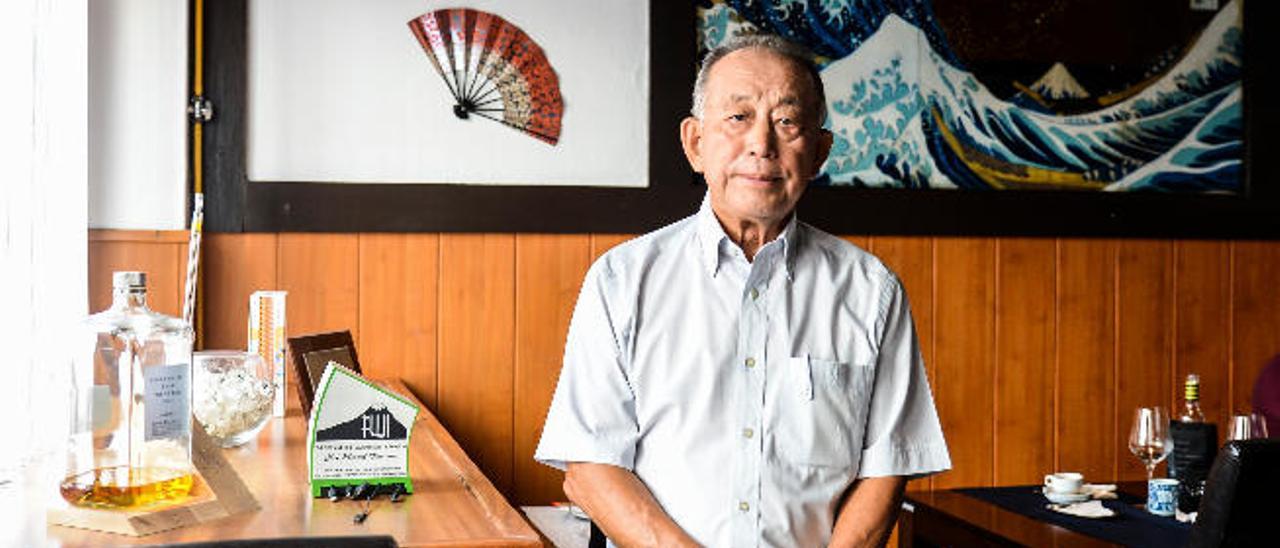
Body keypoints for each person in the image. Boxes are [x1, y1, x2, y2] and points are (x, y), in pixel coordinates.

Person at [535, 34, 950, 547]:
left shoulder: (871, 291)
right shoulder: (622, 280)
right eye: (738, 118)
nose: (762, 144)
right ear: (694, 143)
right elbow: (590, 468)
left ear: (819, 152)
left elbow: (887, 468)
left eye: (787, 122)